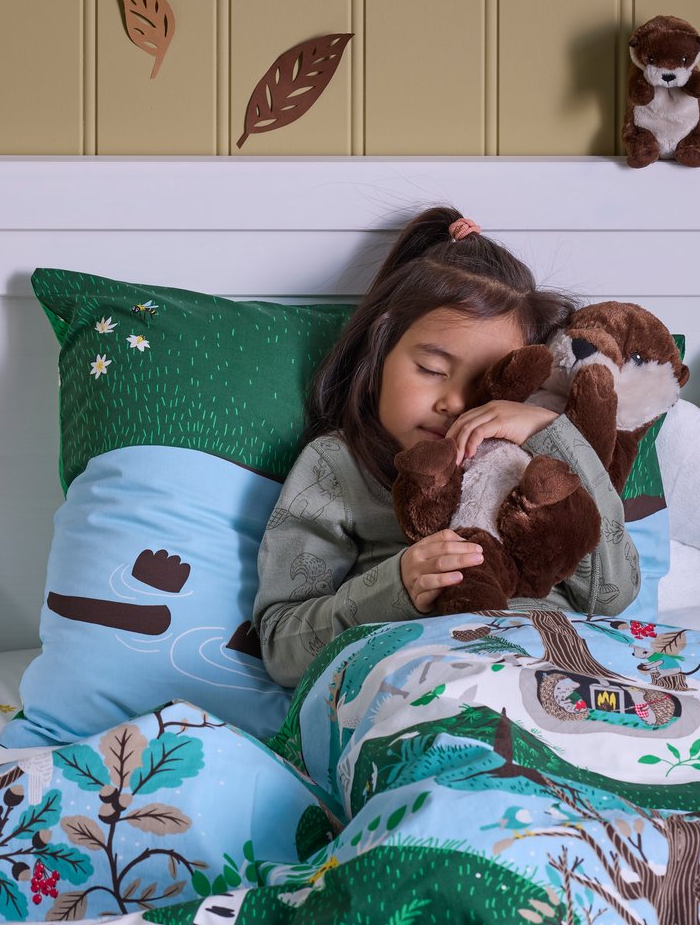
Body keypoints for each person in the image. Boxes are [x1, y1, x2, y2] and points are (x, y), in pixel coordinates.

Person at [252, 206, 641, 688]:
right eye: (432, 370)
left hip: (559, 672)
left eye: (487, 383)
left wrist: (549, 429)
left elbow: (613, 596)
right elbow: (280, 644)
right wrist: (395, 588)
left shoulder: (537, 455)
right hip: (417, 681)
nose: (455, 403)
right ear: (379, 353)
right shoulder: (336, 466)